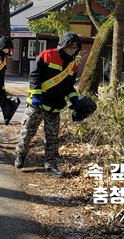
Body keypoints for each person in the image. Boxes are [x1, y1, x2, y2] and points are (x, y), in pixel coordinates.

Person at [15, 32, 82, 178]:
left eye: (75, 47)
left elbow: (69, 87)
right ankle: (20, 154)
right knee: (27, 134)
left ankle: (51, 166)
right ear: (63, 45)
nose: (73, 49)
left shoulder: (73, 65)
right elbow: (34, 76)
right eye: (71, 46)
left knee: (52, 139)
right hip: (36, 105)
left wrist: (75, 100)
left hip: (55, 107)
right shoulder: (47, 55)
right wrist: (36, 95)